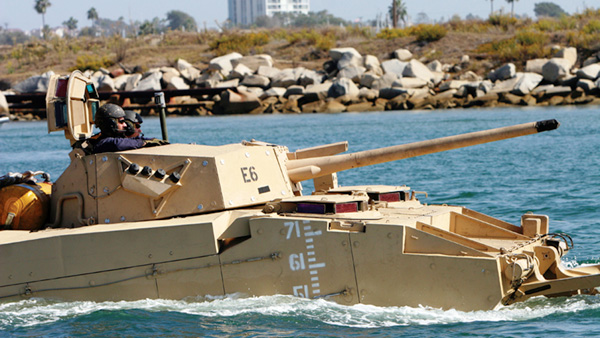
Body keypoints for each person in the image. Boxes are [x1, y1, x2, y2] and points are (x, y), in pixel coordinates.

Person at [90, 104, 167, 154]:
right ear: (111, 123)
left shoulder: (114, 139)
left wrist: (154, 141)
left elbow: (134, 139)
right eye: (121, 122)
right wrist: (144, 143)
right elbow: (117, 144)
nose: (125, 125)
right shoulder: (102, 142)